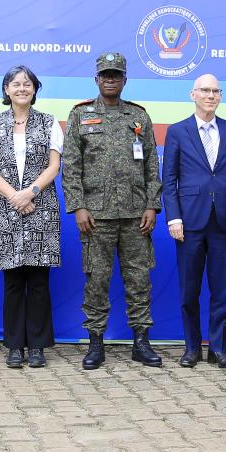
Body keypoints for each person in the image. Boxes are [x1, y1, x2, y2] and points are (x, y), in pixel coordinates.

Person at [62, 51, 164, 369]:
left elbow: (151, 163)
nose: (110, 79)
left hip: (136, 215)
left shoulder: (139, 116)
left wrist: (152, 204)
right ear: (96, 79)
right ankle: (96, 343)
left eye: (116, 75)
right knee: (96, 281)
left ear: (124, 80)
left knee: (139, 281)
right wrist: (78, 206)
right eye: (105, 75)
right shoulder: (80, 115)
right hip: (96, 217)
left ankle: (141, 342)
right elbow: (71, 166)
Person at [0, 66, 63, 368]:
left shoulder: (49, 122)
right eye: (15, 84)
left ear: (35, 89)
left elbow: (54, 166)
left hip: (41, 207)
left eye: (27, 84)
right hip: (6, 209)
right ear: (6, 90)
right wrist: (14, 196)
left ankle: (37, 346)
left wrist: (30, 192)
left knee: (39, 282)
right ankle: (14, 346)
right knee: (13, 282)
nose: (22, 88)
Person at [163, 73, 226, 369]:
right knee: (189, 291)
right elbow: (169, 178)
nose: (211, 96)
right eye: (205, 90)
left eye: (216, 91)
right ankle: (191, 348)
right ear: (193, 94)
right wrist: (173, 218)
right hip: (189, 222)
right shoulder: (177, 131)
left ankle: (218, 349)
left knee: (221, 289)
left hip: (223, 221)